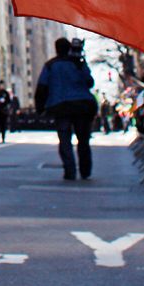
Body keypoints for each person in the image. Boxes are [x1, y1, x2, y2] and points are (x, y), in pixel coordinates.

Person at [36, 38, 96, 181]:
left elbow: (42, 87)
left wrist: (40, 108)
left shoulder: (50, 65)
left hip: (60, 106)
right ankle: (85, 170)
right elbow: (89, 82)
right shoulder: (77, 62)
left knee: (64, 140)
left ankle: (70, 171)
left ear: (56, 49)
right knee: (83, 139)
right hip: (81, 105)